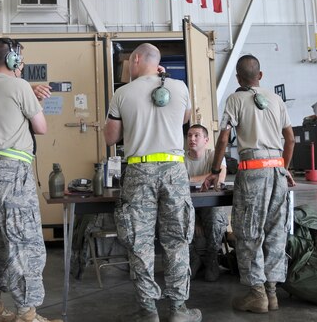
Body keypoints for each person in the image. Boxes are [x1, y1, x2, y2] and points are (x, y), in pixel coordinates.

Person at [104, 43, 202, 322]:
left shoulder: (122, 93)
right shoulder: (179, 87)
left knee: (140, 243)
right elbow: (183, 118)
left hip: (139, 171)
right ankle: (178, 310)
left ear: (136, 59)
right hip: (174, 171)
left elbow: (111, 138)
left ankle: (148, 311)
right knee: (177, 241)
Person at [201, 54, 295, 314]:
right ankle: (273, 293)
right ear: (260, 76)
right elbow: (291, 139)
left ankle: (257, 294)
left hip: (253, 173)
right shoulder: (276, 100)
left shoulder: (235, 99)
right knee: (276, 232)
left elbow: (223, 140)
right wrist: (284, 168)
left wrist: (214, 169)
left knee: (249, 233)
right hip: (277, 171)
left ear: (238, 78)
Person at [0, 38, 61, 322]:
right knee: (25, 241)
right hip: (12, 170)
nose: (22, 65)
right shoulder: (19, 86)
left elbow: (10, 117)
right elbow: (41, 127)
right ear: (12, 61)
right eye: (20, 59)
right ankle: (27, 313)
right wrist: (32, 98)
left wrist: (29, 96)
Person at [185, 125, 228, 282]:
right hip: (188, 208)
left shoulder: (215, 156)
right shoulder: (180, 159)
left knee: (215, 215)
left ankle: (212, 259)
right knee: (176, 216)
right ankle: (193, 258)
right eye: (189, 136)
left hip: (210, 207)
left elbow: (219, 178)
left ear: (206, 140)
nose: (192, 139)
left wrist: (189, 179)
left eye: (196, 136)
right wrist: (196, 219)